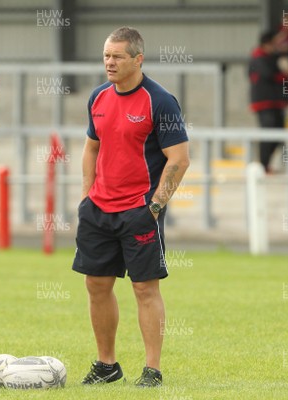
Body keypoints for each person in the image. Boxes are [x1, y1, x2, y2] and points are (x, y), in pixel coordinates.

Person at [72, 26, 190, 388]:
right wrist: (86, 196)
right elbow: (91, 147)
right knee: (96, 284)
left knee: (144, 288)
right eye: (106, 55)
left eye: (117, 56)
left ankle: (152, 370)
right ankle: (107, 365)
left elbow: (179, 159)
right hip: (98, 209)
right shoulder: (98, 97)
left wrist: (153, 207)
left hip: (139, 211)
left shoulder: (160, 101)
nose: (109, 62)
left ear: (138, 59)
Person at [248, 31, 288, 173]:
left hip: (276, 103)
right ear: (267, 44)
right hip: (264, 103)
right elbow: (269, 74)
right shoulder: (258, 58)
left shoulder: (271, 57)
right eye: (275, 43)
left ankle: (265, 165)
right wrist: (285, 74)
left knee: (279, 134)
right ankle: (262, 166)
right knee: (268, 134)